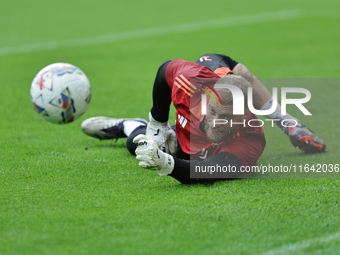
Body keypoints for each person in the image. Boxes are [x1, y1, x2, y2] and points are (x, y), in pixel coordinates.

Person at [81, 54, 326, 183]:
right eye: (214, 112)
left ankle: (129, 126)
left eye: (227, 117)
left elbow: (207, 171)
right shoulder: (192, 85)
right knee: (226, 69)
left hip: (203, 136)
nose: (216, 122)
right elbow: (165, 69)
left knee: (144, 146)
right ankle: (289, 123)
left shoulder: (250, 140)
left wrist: (166, 163)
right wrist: (157, 123)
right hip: (216, 71)